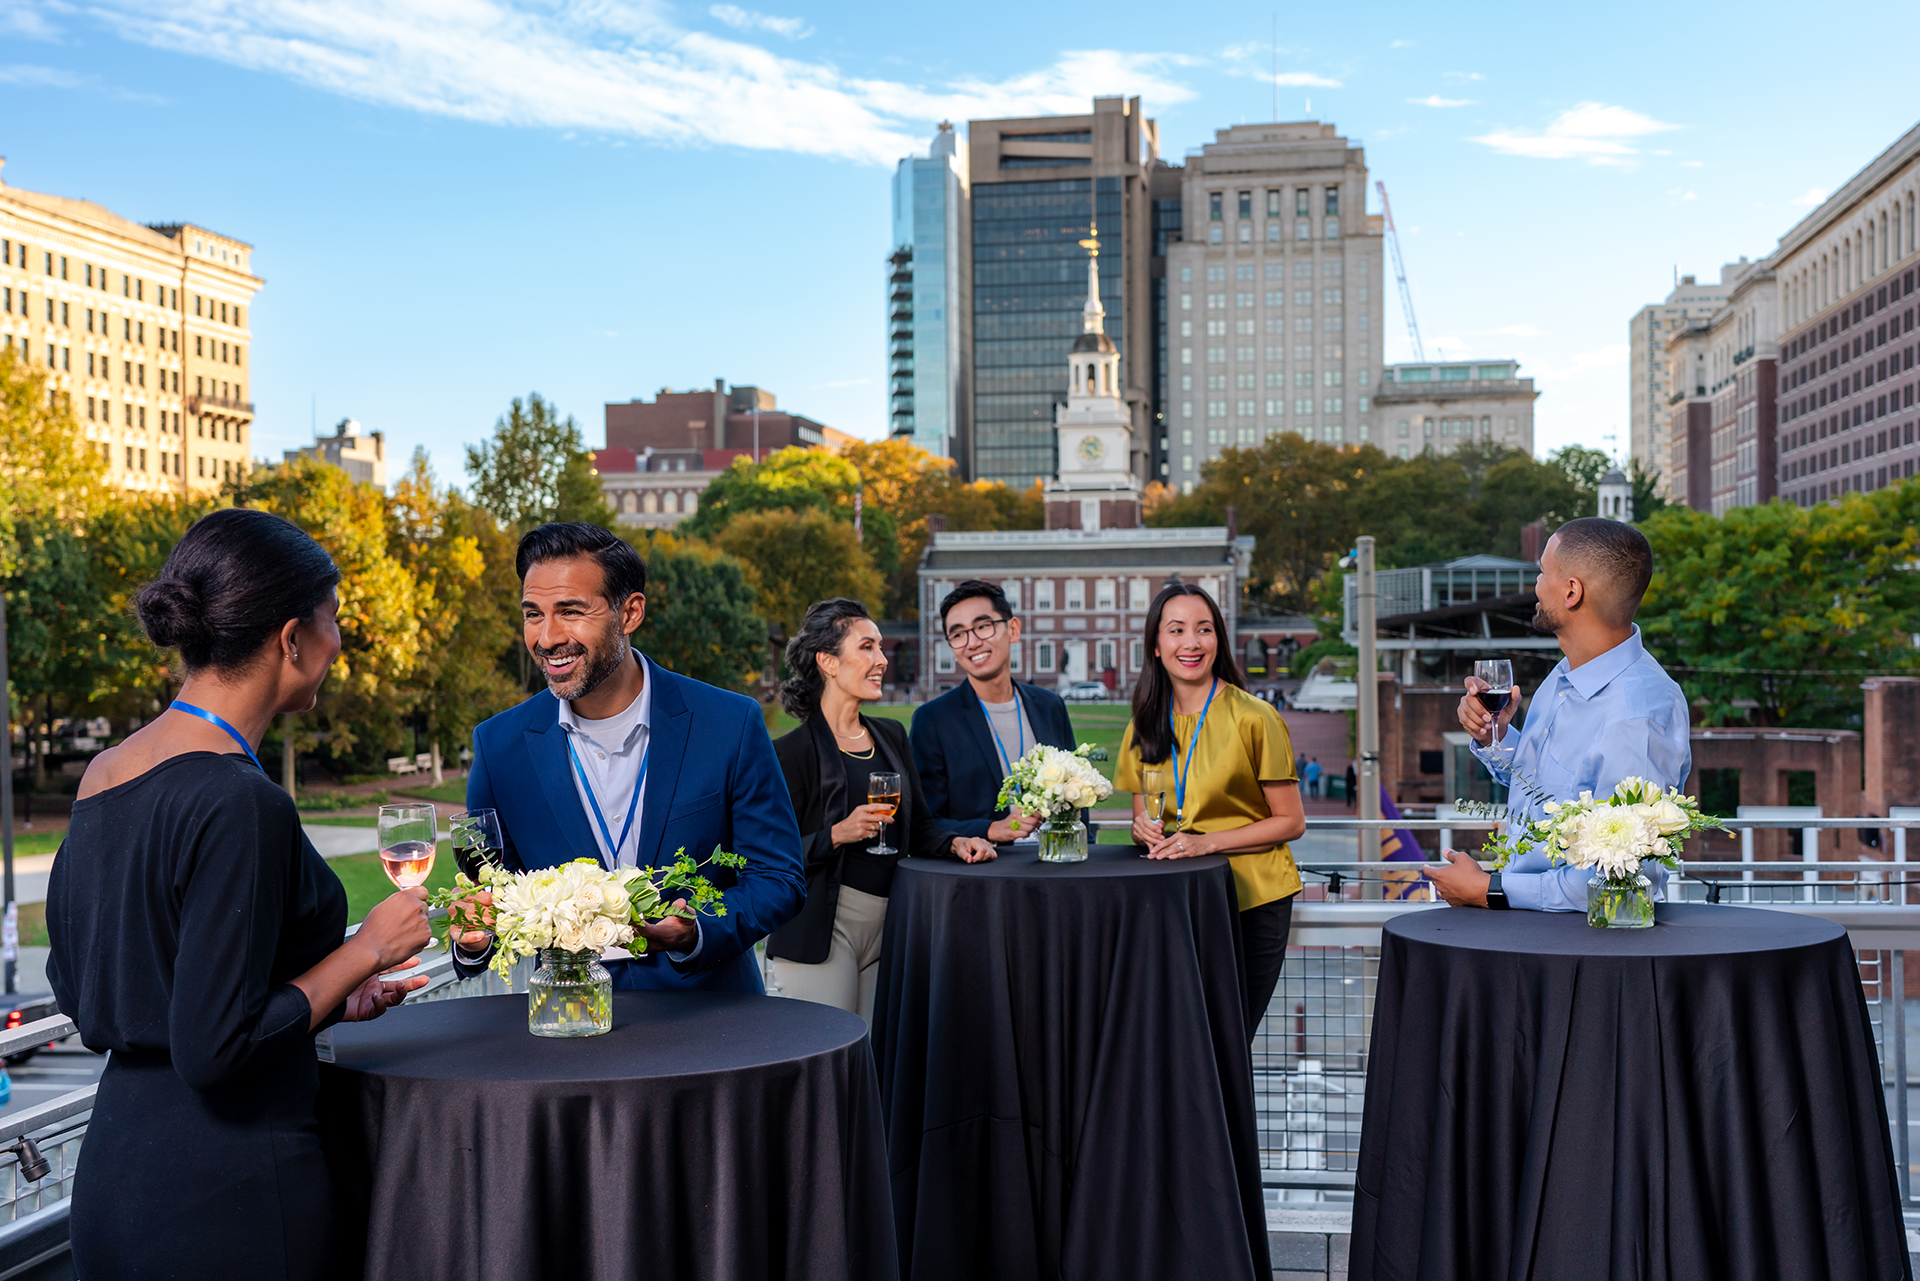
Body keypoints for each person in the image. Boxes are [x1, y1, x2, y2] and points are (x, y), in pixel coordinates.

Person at [46, 508, 434, 1280]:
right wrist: (366, 948)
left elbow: (85, 984)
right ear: (291, 637)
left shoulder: (105, 774)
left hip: (115, 1177)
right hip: (230, 1191)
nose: (340, 642)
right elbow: (215, 1048)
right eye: (333, 619)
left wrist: (321, 993)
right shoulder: (239, 799)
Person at [454, 523, 805, 993]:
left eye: (571, 611)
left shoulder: (730, 723)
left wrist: (697, 932)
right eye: (533, 614)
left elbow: (778, 877)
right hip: (570, 1026)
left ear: (630, 613)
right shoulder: (497, 747)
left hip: (713, 1024)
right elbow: (489, 903)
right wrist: (473, 939)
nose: (547, 637)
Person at [1426, 517, 1691, 912]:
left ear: (1571, 591)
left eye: (1541, 572)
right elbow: (1546, 784)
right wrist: (1494, 735)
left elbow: (1625, 879)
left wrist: (1491, 890)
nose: (1535, 584)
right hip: (1536, 928)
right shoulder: (1565, 673)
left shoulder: (1638, 715)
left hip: (1586, 947)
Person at [768, 600, 996, 1020]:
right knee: (830, 1066)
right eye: (867, 647)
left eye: (881, 648)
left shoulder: (891, 735)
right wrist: (838, 833)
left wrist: (957, 841)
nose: (882, 659)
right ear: (828, 662)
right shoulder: (791, 753)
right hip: (822, 932)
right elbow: (767, 857)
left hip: (892, 925)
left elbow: (922, 826)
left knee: (878, 1069)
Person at [1114, 584, 1307, 1043]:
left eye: (1204, 629)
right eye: (1177, 630)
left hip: (1251, 901)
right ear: (1156, 647)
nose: (1192, 643)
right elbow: (1145, 818)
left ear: (1218, 639)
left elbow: (1291, 822)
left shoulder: (1255, 717)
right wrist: (1142, 829)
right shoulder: (1143, 722)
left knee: (1227, 1043)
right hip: (1176, 901)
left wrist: (1207, 842)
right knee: (1179, 1044)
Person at [910, 580, 1078, 840]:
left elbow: (1076, 795)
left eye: (983, 627)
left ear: (1013, 629)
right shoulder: (933, 720)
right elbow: (922, 824)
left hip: (1055, 868)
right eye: (958, 634)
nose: (972, 642)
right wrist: (990, 829)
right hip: (984, 874)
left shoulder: (1049, 706)